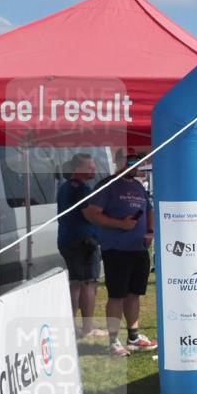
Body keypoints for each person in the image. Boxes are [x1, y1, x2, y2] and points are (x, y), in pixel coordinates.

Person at [83, 152, 158, 357]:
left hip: (139, 248)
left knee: (134, 294)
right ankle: (113, 341)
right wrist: (120, 224)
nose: (135, 165)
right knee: (117, 295)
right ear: (118, 162)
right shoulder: (108, 185)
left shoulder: (138, 186)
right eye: (130, 161)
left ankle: (133, 337)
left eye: (137, 161)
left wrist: (149, 230)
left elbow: (149, 209)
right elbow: (90, 213)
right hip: (116, 249)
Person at [57, 153, 105, 339]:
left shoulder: (65, 187)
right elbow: (90, 215)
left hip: (67, 239)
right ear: (78, 169)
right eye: (90, 167)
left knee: (76, 284)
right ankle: (88, 327)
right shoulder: (82, 189)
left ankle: (72, 326)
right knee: (89, 283)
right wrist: (112, 222)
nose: (93, 169)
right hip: (83, 242)